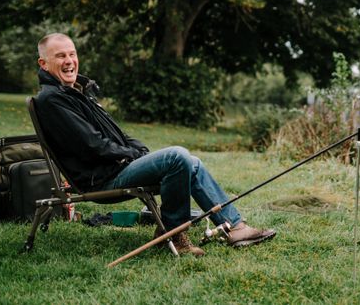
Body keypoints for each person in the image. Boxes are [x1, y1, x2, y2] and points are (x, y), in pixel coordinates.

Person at [34, 33, 275, 256]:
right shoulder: (52, 99)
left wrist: (137, 150)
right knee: (177, 156)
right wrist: (131, 155)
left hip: (114, 168)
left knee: (192, 162)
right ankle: (172, 234)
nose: (69, 61)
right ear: (43, 64)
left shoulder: (75, 93)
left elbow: (116, 134)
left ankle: (236, 227)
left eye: (72, 54)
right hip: (100, 179)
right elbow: (93, 145)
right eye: (60, 56)